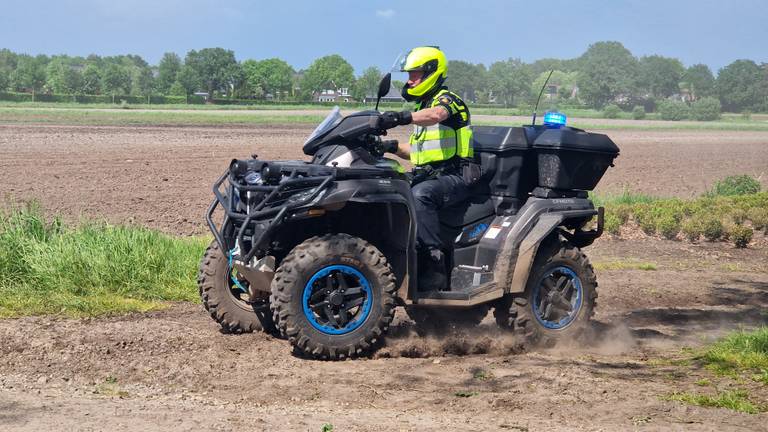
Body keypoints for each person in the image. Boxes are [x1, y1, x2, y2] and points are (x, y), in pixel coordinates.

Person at [377, 46, 474, 291]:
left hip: (456, 176)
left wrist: (401, 117)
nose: (410, 80)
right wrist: (386, 146)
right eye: (408, 75)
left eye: (415, 74)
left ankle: (434, 263)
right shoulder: (422, 107)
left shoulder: (448, 101)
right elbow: (418, 153)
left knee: (421, 196)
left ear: (432, 71)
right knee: (385, 184)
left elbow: (438, 115)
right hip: (429, 174)